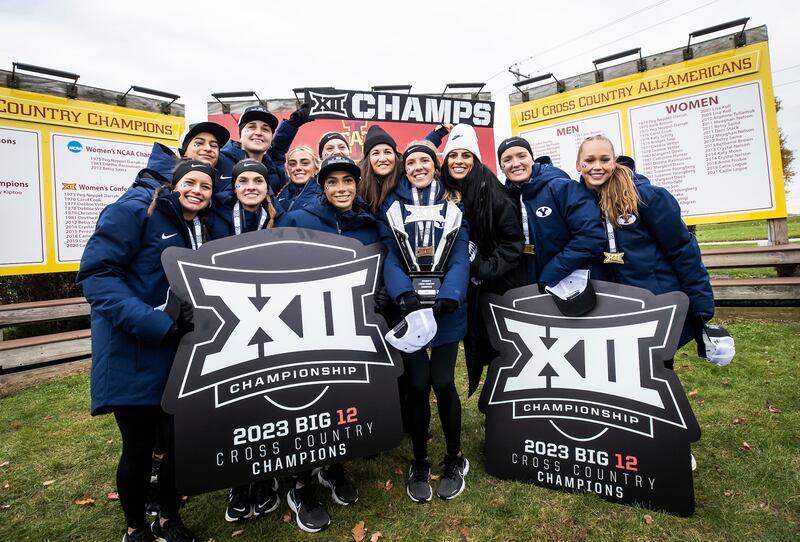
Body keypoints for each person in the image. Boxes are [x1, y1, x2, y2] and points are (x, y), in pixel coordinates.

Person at [77, 159, 216, 542]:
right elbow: (97, 275)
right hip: (134, 351)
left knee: (176, 444)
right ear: (173, 184)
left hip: (179, 355)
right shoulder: (134, 211)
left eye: (205, 186)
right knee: (137, 448)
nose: (197, 191)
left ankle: (168, 520)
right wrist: (155, 321)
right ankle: (135, 527)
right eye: (190, 182)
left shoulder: (198, 227)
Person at [276, 154, 375, 533]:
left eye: (347, 181)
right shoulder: (299, 218)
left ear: (356, 184)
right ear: (322, 186)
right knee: (305, 402)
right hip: (306, 326)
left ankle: (332, 465)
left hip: (350, 326)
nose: (341, 188)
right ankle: (300, 484)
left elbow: (378, 271)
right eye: (332, 182)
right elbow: (276, 265)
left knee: (339, 400)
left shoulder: (368, 223)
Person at [377, 140, 470, 503]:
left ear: (435, 165)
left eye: (425, 161)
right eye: (412, 161)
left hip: (447, 308)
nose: (418, 167)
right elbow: (390, 255)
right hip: (409, 308)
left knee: (444, 381)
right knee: (417, 384)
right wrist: (402, 292)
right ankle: (419, 459)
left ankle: (454, 457)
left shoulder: (454, 203)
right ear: (405, 167)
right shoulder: (392, 205)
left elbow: (461, 253)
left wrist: (451, 293)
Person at [575, 135, 714, 366]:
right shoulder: (576, 202)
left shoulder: (646, 196)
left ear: (614, 161)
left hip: (653, 306)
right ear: (579, 165)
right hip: (607, 310)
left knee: (654, 375)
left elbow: (682, 250)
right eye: (589, 160)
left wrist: (701, 307)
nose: (597, 167)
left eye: (604, 159)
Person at [206, 159, 282, 522]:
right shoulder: (215, 217)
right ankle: (239, 481)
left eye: (257, 180)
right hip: (226, 317)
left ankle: (266, 478)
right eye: (243, 181)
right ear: (233, 187)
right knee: (236, 400)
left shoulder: (279, 217)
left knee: (266, 399)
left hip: (271, 316)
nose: (251, 186)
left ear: (267, 186)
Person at [439, 125, 524, 396]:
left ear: (475, 160)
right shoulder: (444, 190)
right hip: (467, 285)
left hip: (494, 284)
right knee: (475, 341)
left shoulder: (494, 193)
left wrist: (482, 268)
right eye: (454, 155)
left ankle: (503, 396)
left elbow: (512, 243)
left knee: (500, 344)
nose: (459, 161)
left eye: (466, 155)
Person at [498, 136, 605, 291]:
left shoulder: (562, 188)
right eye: (507, 159)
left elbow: (591, 237)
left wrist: (551, 274)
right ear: (501, 167)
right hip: (533, 289)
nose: (516, 164)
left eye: (522, 156)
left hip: (576, 287)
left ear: (532, 159)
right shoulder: (506, 199)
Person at [217, 104, 314, 194]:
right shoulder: (219, 161)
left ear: (271, 137)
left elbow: (277, 152)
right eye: (252, 127)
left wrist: (292, 125)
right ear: (240, 134)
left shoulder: (274, 170)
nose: (258, 132)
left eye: (265, 129)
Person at [275, 145, 321, 212]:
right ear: (287, 169)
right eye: (292, 164)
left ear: (316, 168)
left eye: (305, 163)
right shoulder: (280, 194)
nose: (298, 168)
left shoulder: (325, 196)